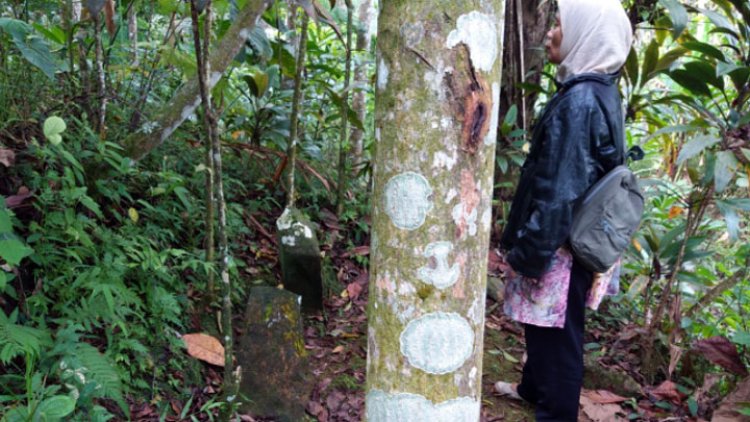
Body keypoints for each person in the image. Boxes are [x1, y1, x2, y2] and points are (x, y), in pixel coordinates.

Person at [493, 0, 633, 420]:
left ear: (587, 34)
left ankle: (556, 413)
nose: (552, 32)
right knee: (545, 326)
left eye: (558, 24)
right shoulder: (601, 89)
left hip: (562, 243)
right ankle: (531, 388)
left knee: (558, 338)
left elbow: (559, 190)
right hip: (577, 235)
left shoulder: (580, 102)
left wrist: (529, 256)